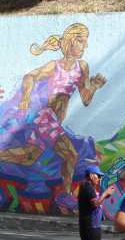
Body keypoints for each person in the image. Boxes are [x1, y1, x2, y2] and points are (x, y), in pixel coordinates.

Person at [0, 23, 106, 210]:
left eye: (86, 42)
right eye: (81, 42)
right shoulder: (54, 66)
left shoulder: (82, 67)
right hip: (45, 117)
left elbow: (86, 98)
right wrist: (25, 98)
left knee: (28, 156)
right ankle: (64, 195)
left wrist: (95, 86)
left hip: (53, 121)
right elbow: (29, 76)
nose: (85, 46)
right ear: (71, 42)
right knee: (70, 155)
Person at [77, 165, 115, 240]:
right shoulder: (88, 187)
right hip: (91, 224)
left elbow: (95, 203)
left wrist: (104, 196)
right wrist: (105, 194)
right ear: (91, 175)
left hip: (87, 223)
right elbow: (95, 204)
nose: (99, 179)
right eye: (98, 176)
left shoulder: (86, 186)